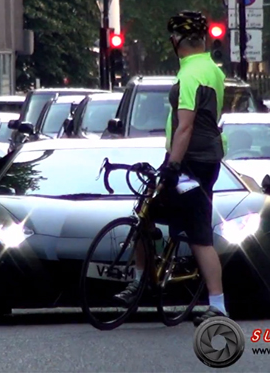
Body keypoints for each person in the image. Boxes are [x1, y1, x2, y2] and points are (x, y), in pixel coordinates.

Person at [113, 10, 228, 327]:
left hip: (190, 160)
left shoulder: (191, 74)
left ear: (176, 41)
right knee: (150, 212)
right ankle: (146, 278)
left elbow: (186, 127)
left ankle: (217, 305)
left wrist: (174, 166)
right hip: (204, 159)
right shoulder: (212, 70)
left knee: (199, 235)